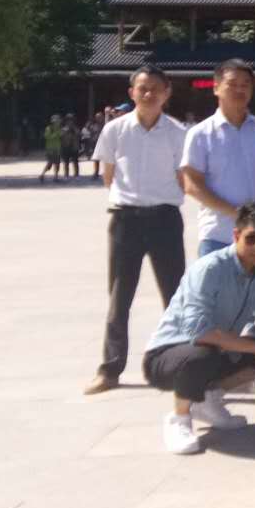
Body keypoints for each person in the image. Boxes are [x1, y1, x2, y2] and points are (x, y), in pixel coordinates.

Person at [143, 202, 255, 454]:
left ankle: (207, 401)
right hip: (166, 356)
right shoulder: (210, 269)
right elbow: (198, 332)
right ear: (236, 235)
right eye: (252, 238)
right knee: (203, 355)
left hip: (215, 348)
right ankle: (179, 419)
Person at [85, 64, 189, 395]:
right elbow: (108, 175)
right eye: (142, 88)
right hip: (125, 220)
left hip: (165, 219)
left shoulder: (178, 133)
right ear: (132, 92)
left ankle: (180, 365)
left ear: (166, 93)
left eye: (155, 88)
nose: (148, 94)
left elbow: (183, 178)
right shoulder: (115, 130)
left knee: (175, 296)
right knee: (119, 297)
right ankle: (110, 369)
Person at [181, 59, 255, 259]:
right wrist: (238, 214)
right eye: (232, 84)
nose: (239, 90)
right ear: (216, 88)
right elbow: (192, 185)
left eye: (245, 84)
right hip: (217, 235)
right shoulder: (200, 133)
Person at [81, 111, 104, 180]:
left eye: (100, 117)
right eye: (97, 117)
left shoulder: (106, 125)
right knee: (96, 159)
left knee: (107, 159)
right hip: (95, 144)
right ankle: (96, 173)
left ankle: (107, 172)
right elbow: (85, 130)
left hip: (104, 144)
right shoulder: (93, 125)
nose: (98, 118)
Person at [40, 114, 63, 182]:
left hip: (57, 149)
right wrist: (56, 134)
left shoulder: (59, 129)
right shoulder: (49, 128)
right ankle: (42, 174)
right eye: (57, 121)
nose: (58, 122)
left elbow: (61, 136)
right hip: (50, 149)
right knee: (50, 163)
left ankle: (56, 176)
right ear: (53, 122)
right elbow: (47, 136)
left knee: (57, 163)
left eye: (59, 121)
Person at [61, 113, 82, 179]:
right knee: (66, 162)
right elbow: (61, 136)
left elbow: (79, 135)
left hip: (74, 147)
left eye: (71, 120)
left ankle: (76, 174)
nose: (70, 121)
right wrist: (67, 131)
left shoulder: (76, 128)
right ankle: (66, 174)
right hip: (66, 146)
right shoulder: (63, 129)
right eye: (68, 120)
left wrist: (73, 130)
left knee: (75, 161)